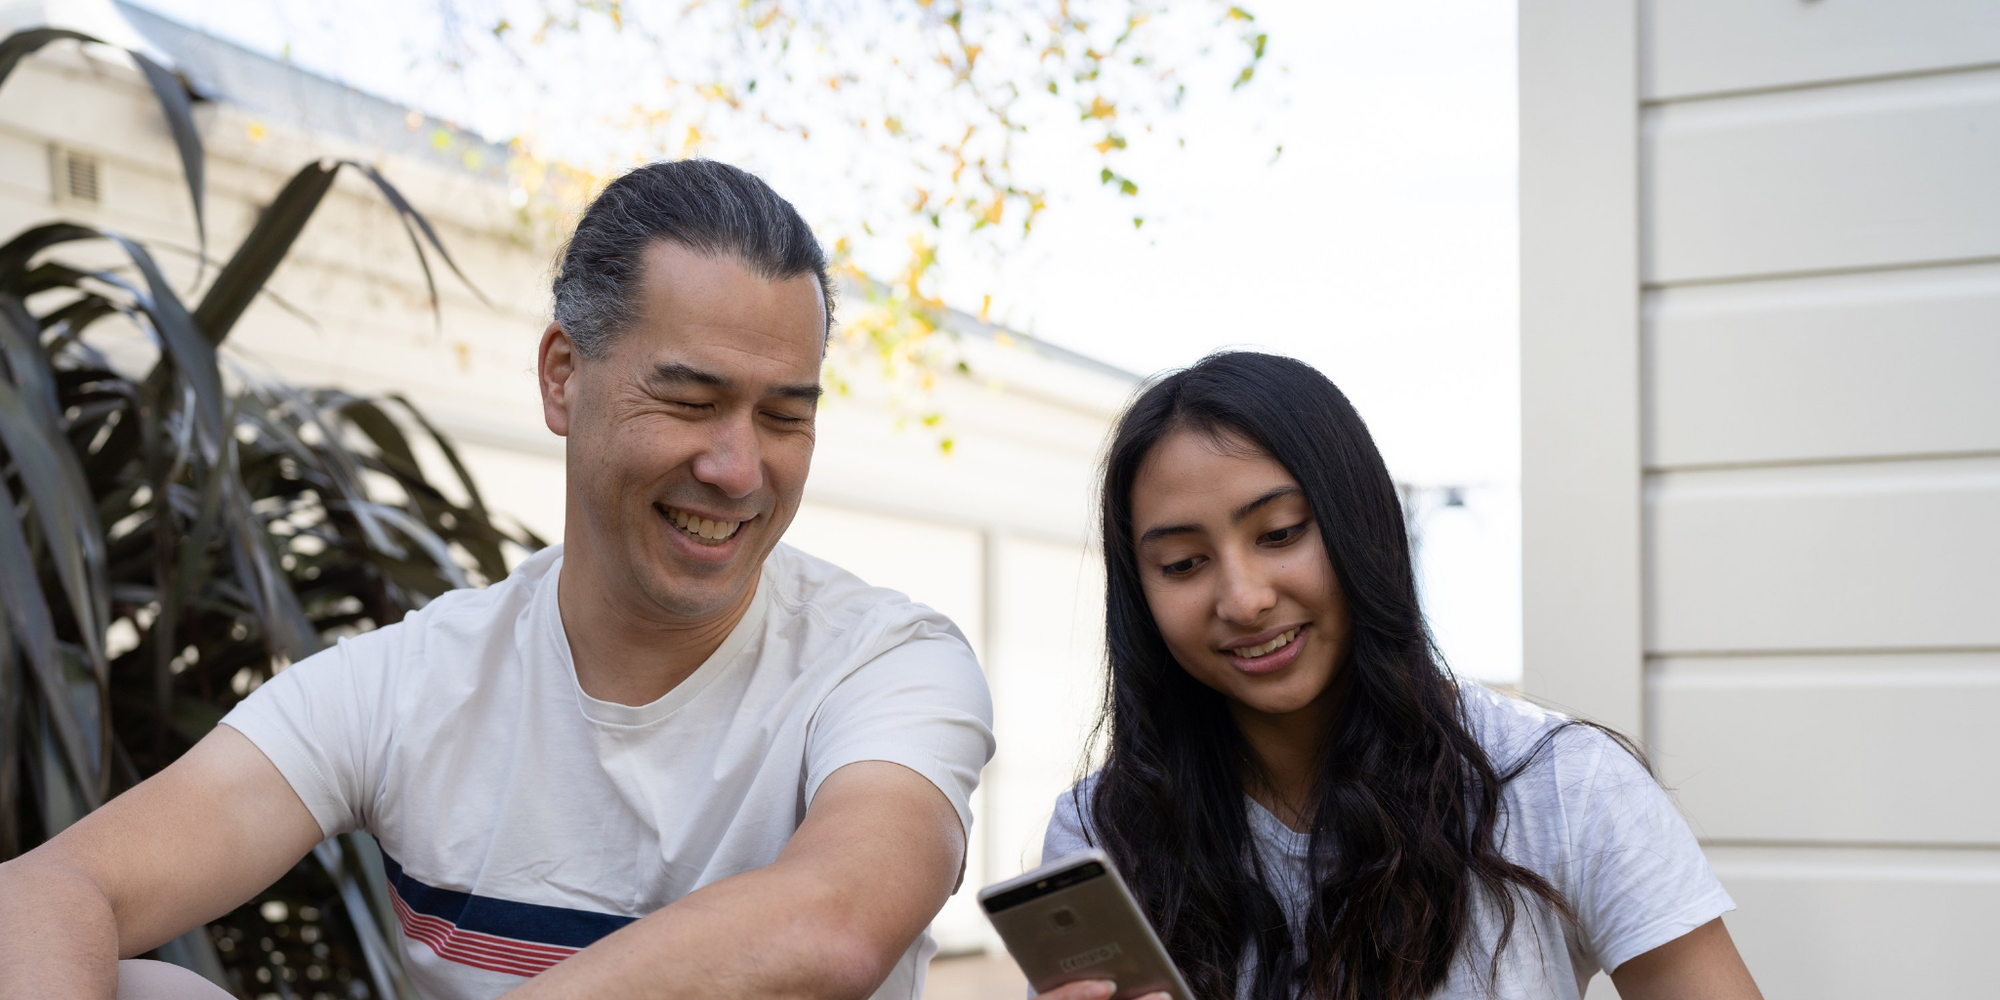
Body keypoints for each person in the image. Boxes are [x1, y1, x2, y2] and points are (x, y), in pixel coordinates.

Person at [0, 160, 995, 1000]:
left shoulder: (887, 664)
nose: (738, 469)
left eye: (784, 417)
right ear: (563, 375)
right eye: (690, 400)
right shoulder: (411, 680)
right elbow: (56, 888)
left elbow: (834, 920)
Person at [1035, 352, 1761, 1000]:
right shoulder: (1104, 833)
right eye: (1184, 564)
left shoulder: (1562, 786)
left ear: (1362, 524)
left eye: (1281, 533)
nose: (1245, 598)